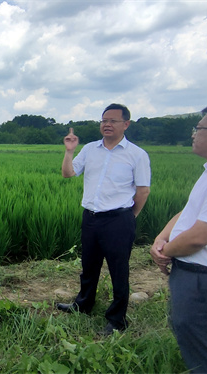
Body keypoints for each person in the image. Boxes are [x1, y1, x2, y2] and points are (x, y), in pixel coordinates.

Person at [150, 99, 207, 374]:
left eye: (199, 127)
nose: (194, 133)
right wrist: (161, 237)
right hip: (200, 279)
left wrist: (165, 252)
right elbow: (190, 211)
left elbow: (198, 237)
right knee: (196, 345)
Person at [57, 103, 151, 335]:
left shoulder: (137, 155)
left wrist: (129, 217)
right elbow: (68, 173)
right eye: (103, 120)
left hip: (119, 220)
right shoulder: (90, 149)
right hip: (91, 217)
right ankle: (83, 304)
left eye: (113, 121)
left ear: (126, 124)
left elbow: (143, 190)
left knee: (119, 270)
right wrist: (69, 151)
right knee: (88, 266)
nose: (106, 124)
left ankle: (117, 320)